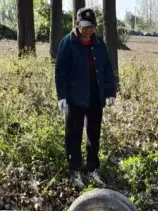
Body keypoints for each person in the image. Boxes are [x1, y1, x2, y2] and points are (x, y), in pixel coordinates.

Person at [55, 7, 117, 188]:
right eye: (86, 26)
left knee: (93, 135)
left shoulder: (99, 43)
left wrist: (111, 91)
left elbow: (106, 68)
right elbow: (60, 71)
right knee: (73, 135)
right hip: (75, 97)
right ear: (77, 24)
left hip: (95, 96)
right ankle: (75, 170)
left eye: (92, 26)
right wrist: (62, 96)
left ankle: (92, 169)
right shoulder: (67, 43)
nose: (89, 30)